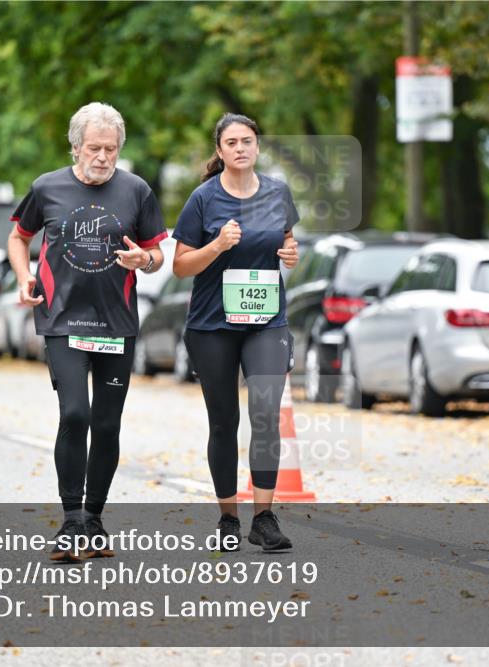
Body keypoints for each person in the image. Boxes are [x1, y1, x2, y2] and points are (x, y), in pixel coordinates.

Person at [7, 102, 167, 561]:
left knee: (107, 422)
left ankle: (94, 520)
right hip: (62, 320)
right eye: (94, 148)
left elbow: (157, 255)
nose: (103, 157)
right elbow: (19, 236)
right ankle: (71, 518)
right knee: (75, 413)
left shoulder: (136, 191)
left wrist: (146, 261)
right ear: (76, 147)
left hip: (116, 323)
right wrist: (23, 276)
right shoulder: (47, 187)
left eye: (111, 149)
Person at [172, 113, 300, 552]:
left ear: (257, 147)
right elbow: (180, 265)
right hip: (213, 325)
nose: (241, 148)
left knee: (265, 414)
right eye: (232, 142)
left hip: (266, 321)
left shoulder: (277, 193)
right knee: (224, 421)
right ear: (221, 150)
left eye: (248, 140)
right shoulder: (203, 199)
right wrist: (217, 246)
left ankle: (263, 517)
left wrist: (290, 252)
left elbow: (285, 241)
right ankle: (228, 517)